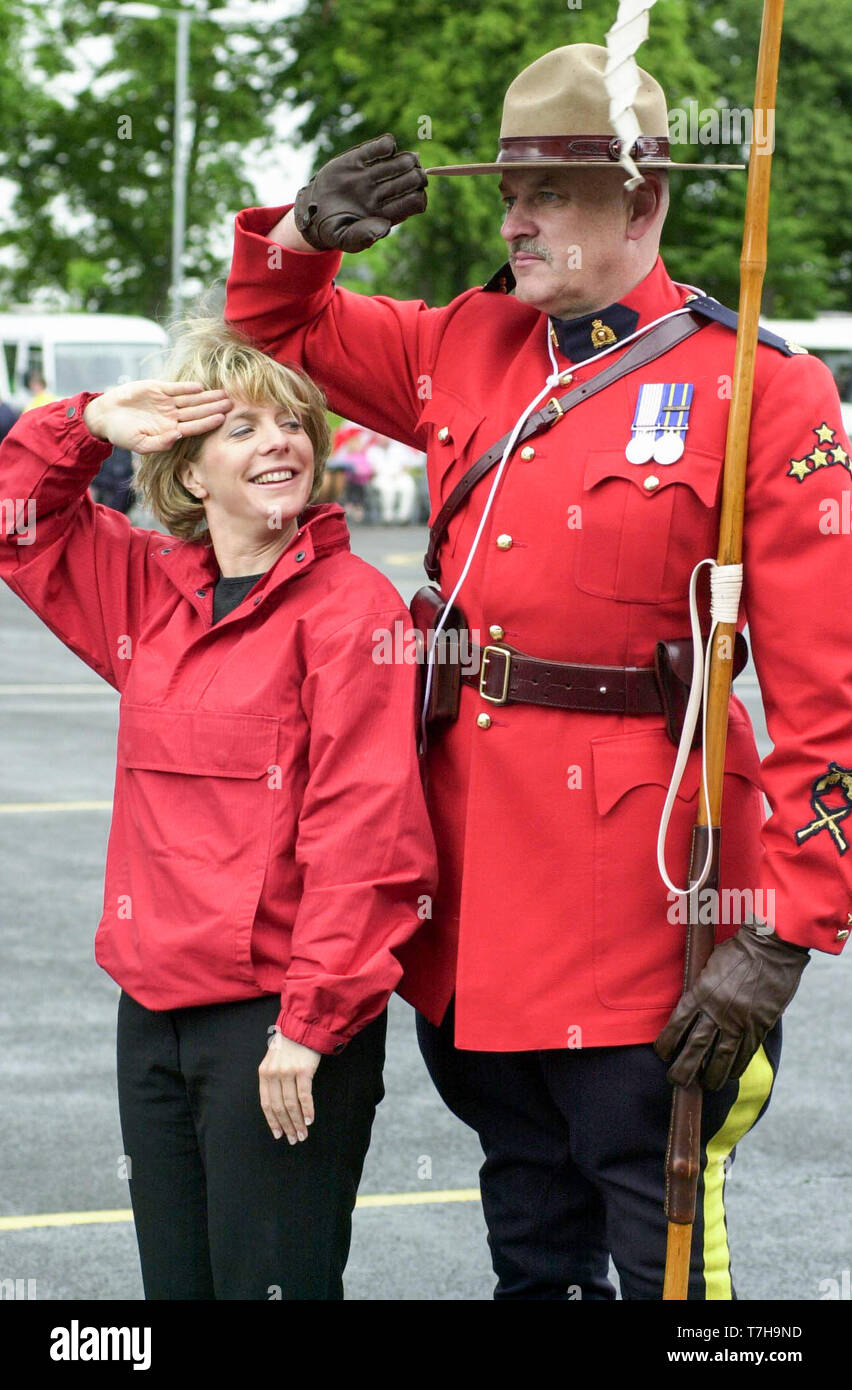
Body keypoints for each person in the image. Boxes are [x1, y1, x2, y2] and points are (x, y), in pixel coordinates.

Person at [223, 43, 852, 1299]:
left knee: (661, 1230)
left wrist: (781, 934)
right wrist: (301, 229)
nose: (519, 215)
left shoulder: (761, 394)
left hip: (644, 907)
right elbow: (275, 322)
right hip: (466, 901)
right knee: (524, 1220)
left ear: (645, 203)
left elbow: (829, 701)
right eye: (513, 188)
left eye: (554, 191)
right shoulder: (467, 342)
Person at [0, 318, 437, 1300]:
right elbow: (13, 517)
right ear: (189, 472)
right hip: (151, 1013)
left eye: (292, 424)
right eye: (241, 428)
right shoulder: (149, 590)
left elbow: (369, 839)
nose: (279, 440)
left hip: (278, 1024)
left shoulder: (352, 612)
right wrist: (91, 422)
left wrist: (312, 1022)